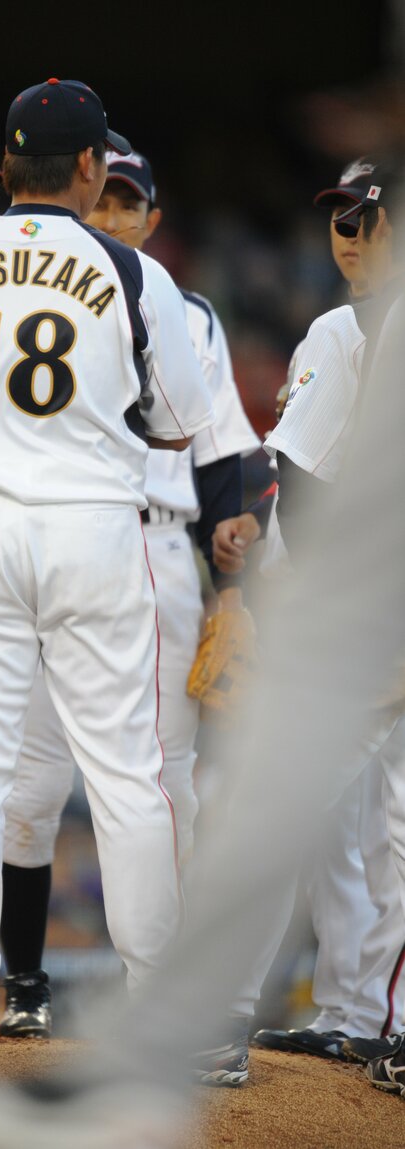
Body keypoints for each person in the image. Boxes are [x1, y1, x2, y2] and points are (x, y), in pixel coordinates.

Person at [0, 76, 215, 1044]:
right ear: (88, 166)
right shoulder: (131, 271)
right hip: (95, 527)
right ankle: (162, 1006)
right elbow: (179, 423)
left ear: (7, 163)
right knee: (128, 776)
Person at [0, 146, 261, 1039]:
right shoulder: (25, 290)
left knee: (164, 785)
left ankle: (172, 996)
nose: (110, 215)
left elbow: (225, 451)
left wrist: (230, 583)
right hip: (51, 539)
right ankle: (22, 982)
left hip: (152, 549)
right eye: (99, 198)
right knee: (31, 786)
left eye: (127, 203)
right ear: (77, 196)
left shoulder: (185, 312)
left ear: (150, 219)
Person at [213, 158, 405, 1070]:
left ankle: (371, 1023)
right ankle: (355, 1013)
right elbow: (294, 474)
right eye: (338, 218)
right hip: (332, 604)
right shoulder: (333, 328)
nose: (348, 238)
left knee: (369, 823)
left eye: (366, 220)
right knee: (341, 828)